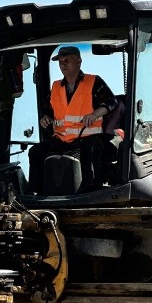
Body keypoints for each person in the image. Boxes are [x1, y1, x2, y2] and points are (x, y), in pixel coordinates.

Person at [28, 46, 118, 193]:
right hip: (61, 140)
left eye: (66, 60)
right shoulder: (56, 87)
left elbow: (111, 102)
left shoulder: (93, 82)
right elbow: (48, 110)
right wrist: (45, 118)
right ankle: (36, 193)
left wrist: (95, 114)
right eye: (60, 62)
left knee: (92, 149)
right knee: (36, 152)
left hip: (87, 137)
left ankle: (90, 192)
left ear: (78, 61)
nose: (62, 64)